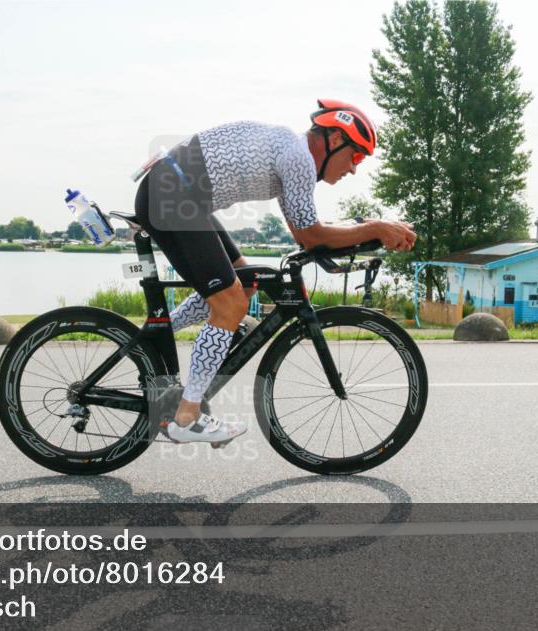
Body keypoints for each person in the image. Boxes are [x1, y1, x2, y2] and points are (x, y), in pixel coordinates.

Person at [133, 99, 417, 444]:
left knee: (244, 282)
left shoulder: (293, 155)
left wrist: (369, 229)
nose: (354, 169)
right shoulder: (297, 157)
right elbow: (311, 235)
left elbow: (308, 231)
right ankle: (185, 418)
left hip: (179, 192)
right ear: (335, 140)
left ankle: (152, 336)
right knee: (230, 304)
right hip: (173, 195)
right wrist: (374, 228)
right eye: (356, 156)